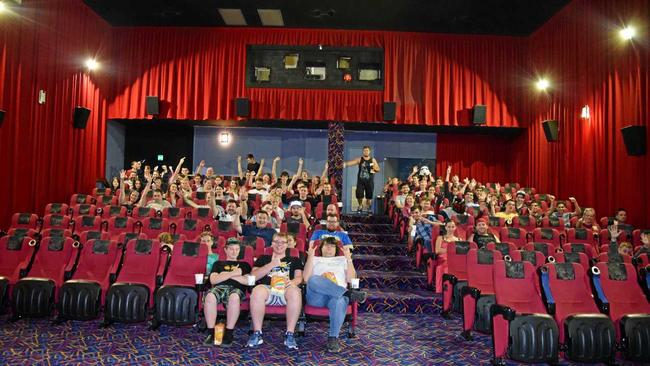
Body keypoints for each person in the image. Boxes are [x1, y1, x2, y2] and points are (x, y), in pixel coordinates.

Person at [303, 237, 367, 353]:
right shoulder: (315, 259)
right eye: (326, 245)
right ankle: (348, 294)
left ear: (336, 249)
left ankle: (333, 338)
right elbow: (306, 279)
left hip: (335, 297)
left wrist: (348, 259)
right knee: (313, 279)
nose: (329, 248)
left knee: (339, 300)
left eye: (332, 246)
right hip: (317, 297)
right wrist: (310, 257)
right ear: (321, 248)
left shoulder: (342, 259)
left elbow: (352, 279)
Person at [247, 233, 304, 349]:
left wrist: (292, 282)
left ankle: (290, 334)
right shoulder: (263, 258)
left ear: (287, 245)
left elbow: (299, 278)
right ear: (271, 243)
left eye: (282, 242)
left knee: (295, 291)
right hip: (267, 288)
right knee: (257, 291)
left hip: (286, 288)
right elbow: (253, 276)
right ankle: (257, 333)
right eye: (276, 242)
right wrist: (271, 264)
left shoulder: (294, 260)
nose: (279, 245)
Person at [203, 238, 252, 346]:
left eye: (237, 249)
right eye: (231, 249)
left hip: (237, 289)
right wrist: (235, 273)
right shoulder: (218, 263)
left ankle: (229, 333)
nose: (234, 252)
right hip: (219, 288)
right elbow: (213, 280)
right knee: (210, 296)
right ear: (225, 250)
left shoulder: (245, 265)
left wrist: (223, 276)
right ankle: (211, 333)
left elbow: (247, 281)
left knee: (234, 297)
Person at [343, 146, 380, 214]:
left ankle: (368, 207)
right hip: (361, 181)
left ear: (369, 151)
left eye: (367, 150)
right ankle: (360, 206)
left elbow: (378, 169)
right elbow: (351, 162)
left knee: (369, 196)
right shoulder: (360, 159)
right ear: (363, 151)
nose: (366, 152)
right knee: (359, 194)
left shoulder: (373, 160)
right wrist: (344, 164)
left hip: (369, 181)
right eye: (364, 150)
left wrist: (374, 167)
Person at [434, 221, 461, 293]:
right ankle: (445, 289)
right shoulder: (440, 238)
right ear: (445, 227)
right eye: (449, 227)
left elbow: (459, 253)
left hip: (454, 258)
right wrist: (450, 249)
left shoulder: (459, 239)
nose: (450, 229)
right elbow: (437, 251)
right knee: (447, 263)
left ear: (455, 228)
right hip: (443, 258)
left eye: (452, 227)